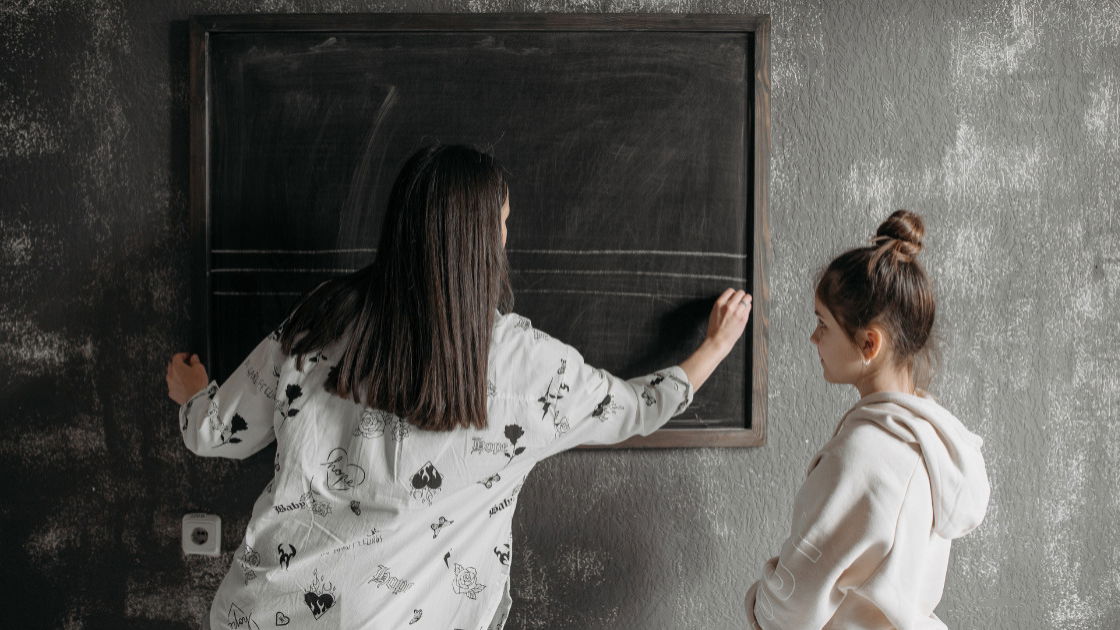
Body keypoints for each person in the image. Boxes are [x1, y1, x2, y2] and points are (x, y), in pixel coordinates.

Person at [166, 144, 751, 630]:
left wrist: (194, 396)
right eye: (503, 223)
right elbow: (635, 409)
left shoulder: (320, 320)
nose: (506, 237)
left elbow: (218, 434)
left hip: (265, 614)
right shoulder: (529, 368)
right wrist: (713, 349)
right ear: (482, 241)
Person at [744, 210, 989, 629]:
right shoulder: (932, 442)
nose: (813, 337)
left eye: (823, 323)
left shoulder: (864, 456)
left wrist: (757, 604)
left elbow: (795, 604)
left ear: (869, 343)